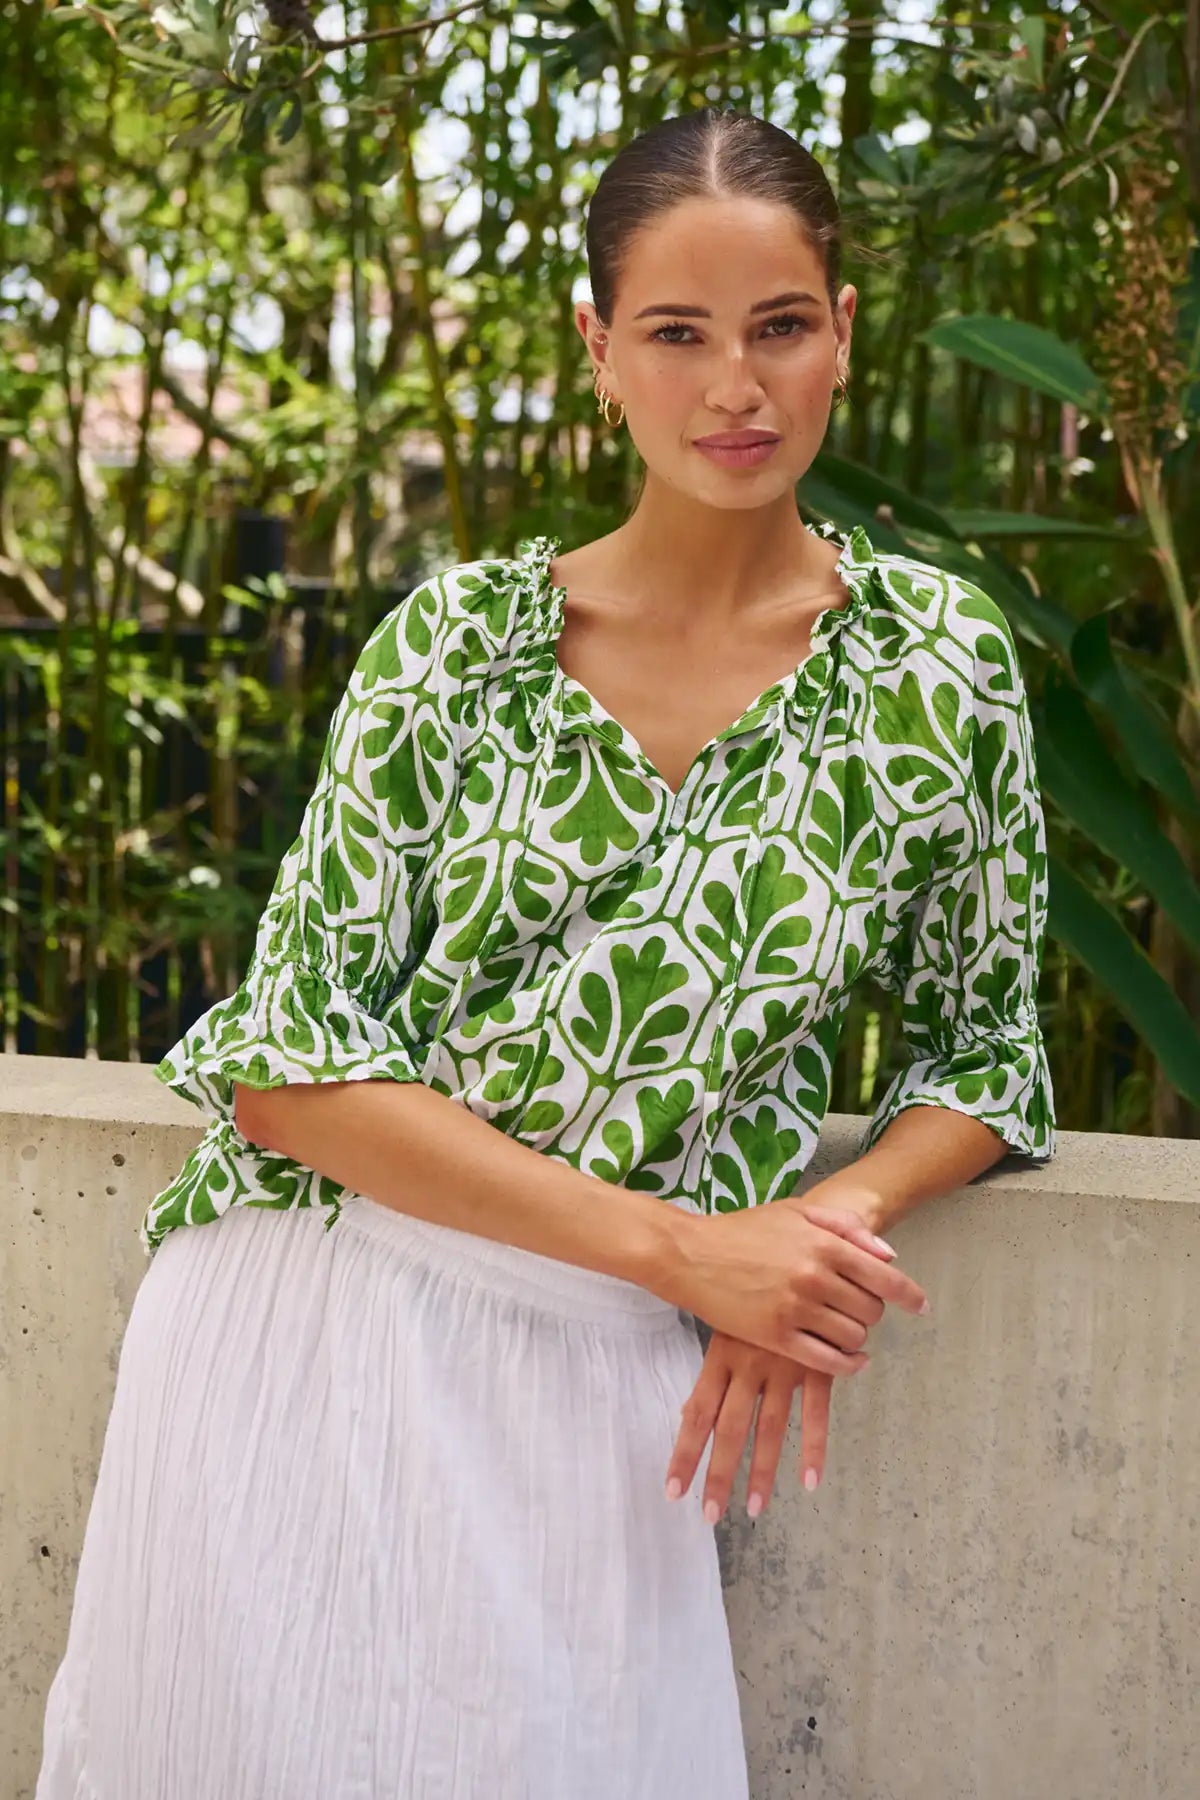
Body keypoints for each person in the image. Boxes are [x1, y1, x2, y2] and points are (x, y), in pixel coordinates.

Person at [37, 106, 1056, 1799]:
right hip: (313, 1326)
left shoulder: (938, 669)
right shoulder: (457, 647)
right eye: (677, 333)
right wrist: (694, 1252)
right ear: (599, 351)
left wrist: (817, 1235)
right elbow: (286, 1070)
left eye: (778, 326)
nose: (735, 387)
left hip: (613, 1388)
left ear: (843, 333)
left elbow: (988, 1052)